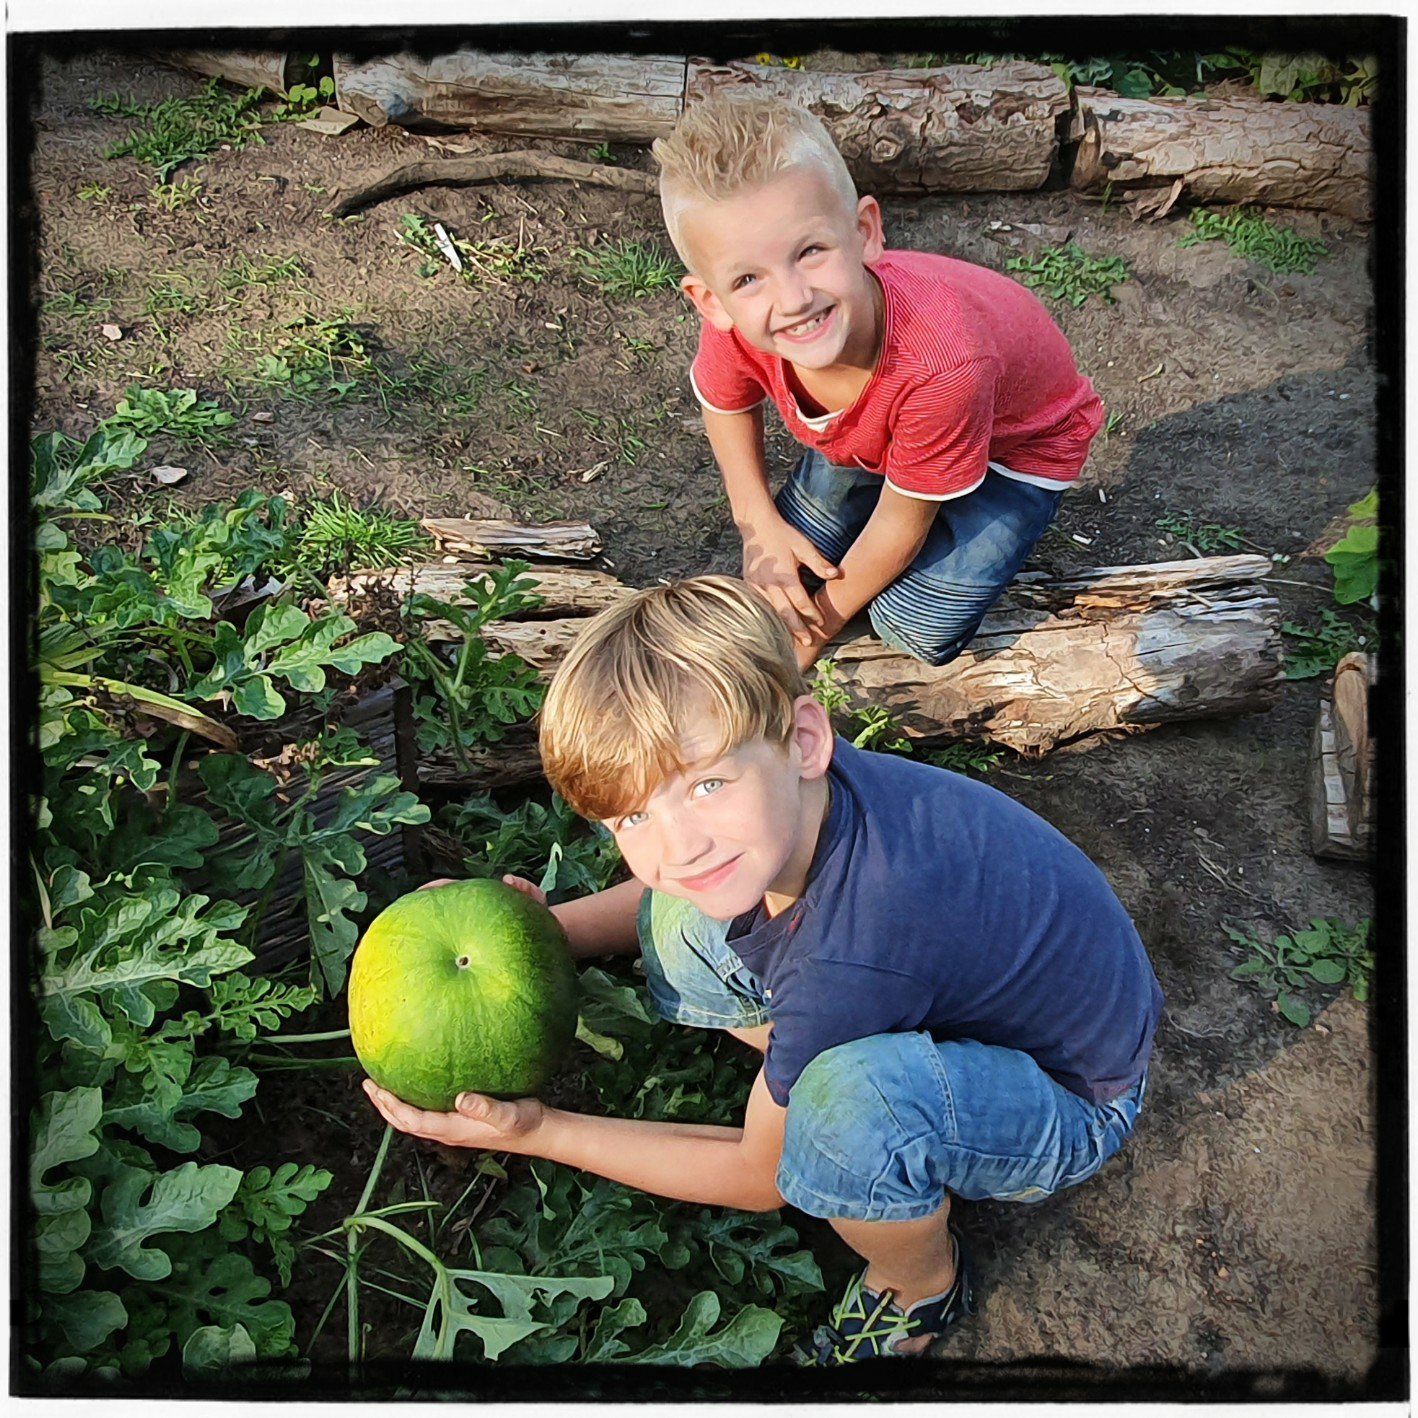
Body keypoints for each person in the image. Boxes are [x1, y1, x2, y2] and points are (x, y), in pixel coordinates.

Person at [364, 576, 1164, 1365]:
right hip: (988, 983)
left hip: (1073, 1097)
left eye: (707, 783)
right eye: (636, 815)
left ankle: (916, 1283)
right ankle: (802, 1070)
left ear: (806, 740)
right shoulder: (800, 795)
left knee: (848, 1114)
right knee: (683, 908)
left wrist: (539, 1130)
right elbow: (669, 883)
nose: (678, 844)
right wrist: (531, 934)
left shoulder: (852, 952)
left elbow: (760, 1181)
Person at [651, 93, 1104, 674]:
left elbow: (898, 523)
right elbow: (725, 402)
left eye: (811, 251)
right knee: (799, 557)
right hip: (894, 429)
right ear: (711, 301)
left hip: (1015, 445)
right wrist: (756, 526)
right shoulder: (740, 325)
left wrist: (814, 634)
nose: (792, 299)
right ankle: (914, 472)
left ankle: (964, 496)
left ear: (865, 231)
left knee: (911, 624)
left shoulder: (944, 361)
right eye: (748, 278)